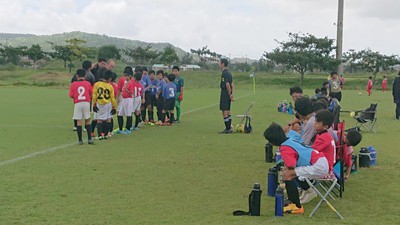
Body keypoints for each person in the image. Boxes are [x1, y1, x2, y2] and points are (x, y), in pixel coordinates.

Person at [264, 123, 329, 214]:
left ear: (273, 141)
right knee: (293, 172)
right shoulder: (290, 138)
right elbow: (297, 137)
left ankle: (296, 206)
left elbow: (292, 164)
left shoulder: (284, 148)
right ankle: (308, 192)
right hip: (320, 160)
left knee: (288, 175)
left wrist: (286, 168)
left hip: (318, 166)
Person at [297, 109, 335, 204]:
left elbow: (312, 151)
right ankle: (306, 190)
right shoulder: (321, 134)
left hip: (326, 168)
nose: (314, 124)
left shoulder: (324, 138)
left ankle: (310, 191)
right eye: (315, 121)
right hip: (321, 163)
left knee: (297, 171)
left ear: (326, 126)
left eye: (317, 123)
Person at [69, 69, 94, 145]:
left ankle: (80, 140)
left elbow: (71, 95)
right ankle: (89, 139)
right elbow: (91, 93)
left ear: (77, 76)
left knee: (79, 121)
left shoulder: (73, 84)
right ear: (85, 75)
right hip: (86, 102)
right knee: (88, 120)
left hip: (77, 103)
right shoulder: (88, 83)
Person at [92, 70, 117, 140]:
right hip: (108, 104)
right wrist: (114, 107)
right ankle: (106, 134)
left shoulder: (97, 84)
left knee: (99, 119)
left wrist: (94, 104)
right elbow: (112, 98)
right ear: (110, 78)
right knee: (108, 119)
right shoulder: (110, 86)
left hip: (100, 103)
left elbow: (94, 95)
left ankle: (100, 135)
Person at [115, 66, 134, 134]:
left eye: (126, 76)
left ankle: (128, 129)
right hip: (123, 98)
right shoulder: (122, 80)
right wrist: (118, 97)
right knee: (120, 113)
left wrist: (126, 90)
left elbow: (131, 92)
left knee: (128, 113)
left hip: (128, 99)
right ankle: (120, 129)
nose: (125, 77)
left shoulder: (131, 82)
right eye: (124, 75)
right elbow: (119, 88)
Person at [219, 58, 234, 134]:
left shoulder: (224, 73)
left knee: (224, 110)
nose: (219, 64)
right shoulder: (229, 73)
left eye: (220, 63)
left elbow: (227, 84)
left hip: (225, 93)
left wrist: (229, 93)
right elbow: (232, 84)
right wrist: (232, 94)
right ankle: (229, 127)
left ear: (223, 64)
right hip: (228, 93)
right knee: (228, 109)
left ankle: (227, 128)